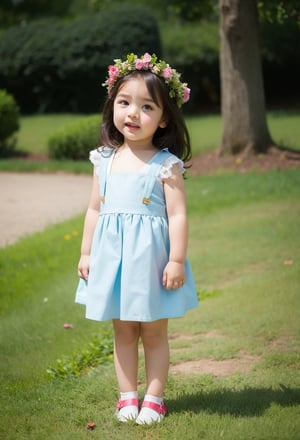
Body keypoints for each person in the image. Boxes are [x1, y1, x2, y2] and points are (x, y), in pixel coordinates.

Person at [75, 53, 198, 425]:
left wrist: (176, 260)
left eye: (147, 107)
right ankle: (128, 396)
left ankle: (155, 398)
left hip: (152, 260)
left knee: (154, 330)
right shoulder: (105, 160)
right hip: (113, 259)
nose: (133, 113)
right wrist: (86, 253)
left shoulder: (166, 164)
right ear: (112, 105)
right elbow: (94, 210)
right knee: (123, 329)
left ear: (163, 119)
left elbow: (177, 214)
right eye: (124, 102)